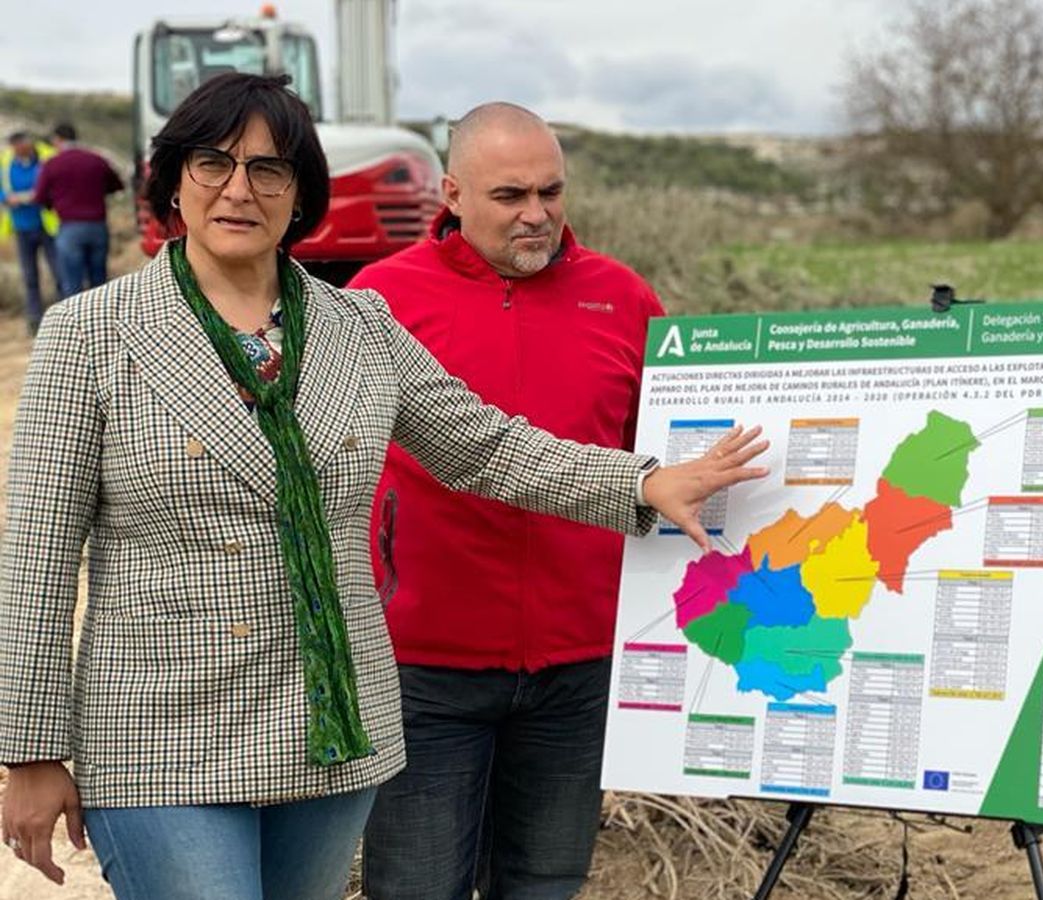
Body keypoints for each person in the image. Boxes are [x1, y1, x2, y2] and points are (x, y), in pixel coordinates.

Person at [0, 73, 764, 900]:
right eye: (213, 163)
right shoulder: (92, 333)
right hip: (160, 729)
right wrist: (32, 751)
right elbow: (37, 552)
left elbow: (486, 448)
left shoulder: (360, 327)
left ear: (300, 196)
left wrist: (644, 485)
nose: (238, 190)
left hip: (332, 733)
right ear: (174, 179)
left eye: (270, 170)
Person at [350, 103, 662, 900]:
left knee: (543, 886)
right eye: (510, 195)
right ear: (451, 194)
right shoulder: (377, 301)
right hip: (424, 667)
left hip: (578, 667)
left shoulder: (624, 300)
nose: (537, 215)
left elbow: (662, 461)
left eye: (551, 192)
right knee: (416, 887)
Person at [33, 121, 125, 296]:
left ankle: (74, 323)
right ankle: (102, 321)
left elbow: (40, 197)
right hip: (98, 227)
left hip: (70, 228)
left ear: (57, 140)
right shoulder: (96, 160)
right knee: (100, 285)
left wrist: (54, 204)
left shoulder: (52, 164)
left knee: (72, 285)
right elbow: (117, 185)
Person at [1, 130, 64, 334]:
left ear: (28, 144)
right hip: (21, 226)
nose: (17, 150)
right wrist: (7, 198)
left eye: (20, 146)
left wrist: (35, 196)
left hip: (47, 225)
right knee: (30, 276)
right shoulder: (6, 162)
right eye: (14, 148)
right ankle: (34, 320)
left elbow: (56, 184)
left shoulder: (47, 157)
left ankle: (63, 317)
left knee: (58, 272)